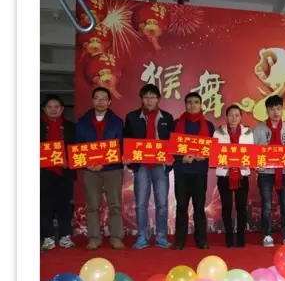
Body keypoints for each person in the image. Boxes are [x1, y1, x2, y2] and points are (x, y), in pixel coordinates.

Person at [123, 84, 174, 249]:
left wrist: (171, 157)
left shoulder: (167, 118)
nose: (149, 100)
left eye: (152, 97)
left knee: (162, 204)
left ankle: (161, 237)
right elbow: (126, 140)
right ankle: (142, 237)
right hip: (142, 165)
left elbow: (172, 142)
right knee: (141, 204)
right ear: (142, 100)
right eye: (146, 97)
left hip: (161, 165)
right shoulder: (132, 117)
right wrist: (127, 157)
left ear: (159, 99)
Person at [75, 87, 125, 250]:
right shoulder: (82, 122)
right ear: (92, 101)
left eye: (104, 98)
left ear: (109, 102)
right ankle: (94, 238)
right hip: (90, 170)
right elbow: (78, 147)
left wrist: (105, 163)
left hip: (112, 169)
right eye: (97, 98)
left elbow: (120, 147)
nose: (100, 101)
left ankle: (116, 237)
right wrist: (87, 163)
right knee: (92, 205)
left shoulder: (117, 122)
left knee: (115, 204)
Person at [172, 92, 214, 250]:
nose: (193, 105)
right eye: (189, 102)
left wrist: (205, 155)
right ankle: (179, 241)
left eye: (196, 102)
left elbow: (213, 150)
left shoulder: (208, 125)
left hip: (199, 172)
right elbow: (170, 148)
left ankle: (201, 240)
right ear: (185, 105)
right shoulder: (176, 124)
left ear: (201, 105)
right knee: (181, 207)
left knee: (199, 207)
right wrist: (181, 158)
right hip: (182, 171)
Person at [253, 95, 285, 247]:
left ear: (282, 109)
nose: (275, 112)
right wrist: (256, 164)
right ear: (267, 111)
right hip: (265, 173)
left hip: (283, 173)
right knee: (266, 205)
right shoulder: (258, 130)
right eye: (272, 109)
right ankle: (266, 235)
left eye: (278, 108)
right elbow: (253, 152)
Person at [40, 95, 77, 251]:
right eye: (49, 107)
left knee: (65, 206)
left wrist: (70, 161)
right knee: (44, 206)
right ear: (44, 109)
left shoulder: (71, 127)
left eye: (56, 107)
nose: (53, 110)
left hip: (64, 172)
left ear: (62, 109)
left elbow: (77, 148)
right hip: (43, 173)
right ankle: (47, 237)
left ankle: (65, 236)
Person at [213, 105, 253, 248]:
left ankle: (241, 237)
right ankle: (229, 237)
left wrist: (246, 162)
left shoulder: (248, 133)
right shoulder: (218, 132)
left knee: (242, 207)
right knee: (227, 206)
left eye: (237, 115)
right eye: (231, 115)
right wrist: (223, 162)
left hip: (242, 174)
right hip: (224, 175)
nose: (234, 118)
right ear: (226, 117)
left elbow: (251, 153)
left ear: (241, 117)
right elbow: (215, 153)